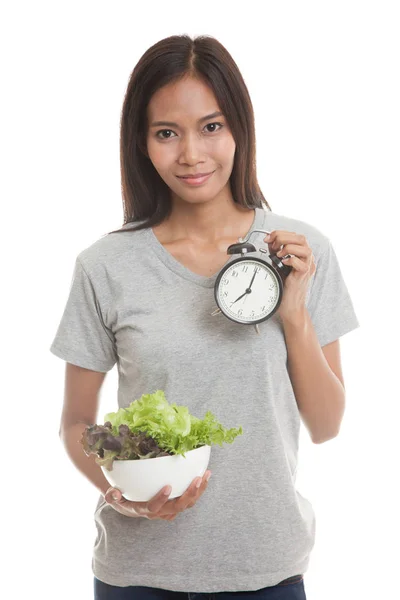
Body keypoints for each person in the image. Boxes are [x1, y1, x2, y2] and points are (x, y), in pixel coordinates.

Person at [50, 34, 360, 600]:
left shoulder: (301, 253)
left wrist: (294, 316)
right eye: (167, 133)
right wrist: (120, 493)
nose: (191, 154)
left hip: (265, 570)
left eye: (211, 127)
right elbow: (76, 423)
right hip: (136, 575)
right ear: (141, 143)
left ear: (240, 129)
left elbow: (327, 424)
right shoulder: (104, 266)